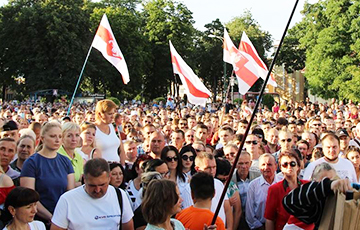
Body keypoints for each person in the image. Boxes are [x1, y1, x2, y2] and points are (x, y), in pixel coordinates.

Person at [51, 158, 134, 230]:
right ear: (84, 179)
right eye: (92, 185)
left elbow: (128, 226)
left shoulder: (120, 195)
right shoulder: (67, 200)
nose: (97, 190)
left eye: (102, 185)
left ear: (109, 178)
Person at [20, 121, 75, 226]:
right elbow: (29, 196)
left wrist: (61, 217)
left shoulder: (66, 161)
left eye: (60, 136)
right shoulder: (31, 162)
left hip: (63, 218)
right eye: (53, 136)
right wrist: (51, 217)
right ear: (42, 138)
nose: (57, 140)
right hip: (38, 219)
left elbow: (70, 193)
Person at [282, 163, 352, 229]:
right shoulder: (317, 207)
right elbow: (288, 202)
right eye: (325, 181)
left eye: (333, 180)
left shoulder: (340, 200)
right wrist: (327, 186)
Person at [264, 151, 308, 230]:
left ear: (298, 166)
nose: (289, 167)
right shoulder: (274, 189)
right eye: (285, 164)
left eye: (292, 164)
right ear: (280, 168)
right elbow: (269, 219)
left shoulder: (307, 186)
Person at [246, 154, 279, 230]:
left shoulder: (282, 182)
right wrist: (260, 227)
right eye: (263, 164)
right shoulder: (253, 185)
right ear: (259, 167)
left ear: (276, 166)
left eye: (269, 164)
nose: (266, 167)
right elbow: (249, 213)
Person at [94, 99, 125, 165]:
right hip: (101, 168)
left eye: (113, 113)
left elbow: (121, 149)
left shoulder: (114, 126)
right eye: (109, 114)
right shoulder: (92, 129)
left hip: (116, 167)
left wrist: (123, 166)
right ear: (100, 114)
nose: (112, 117)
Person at [57, 122, 84, 186]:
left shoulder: (78, 156)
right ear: (62, 138)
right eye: (69, 136)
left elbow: (81, 179)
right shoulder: (57, 156)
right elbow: (63, 184)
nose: (74, 139)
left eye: (77, 135)